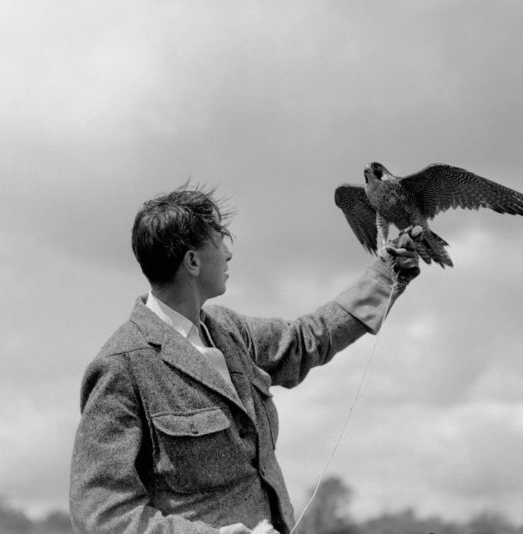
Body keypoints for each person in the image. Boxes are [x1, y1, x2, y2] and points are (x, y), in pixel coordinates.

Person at [69, 183, 421, 534]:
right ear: (192, 262)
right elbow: (102, 515)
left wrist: (386, 274)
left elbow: (306, 338)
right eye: (220, 240)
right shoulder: (122, 366)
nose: (228, 253)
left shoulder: (229, 330)